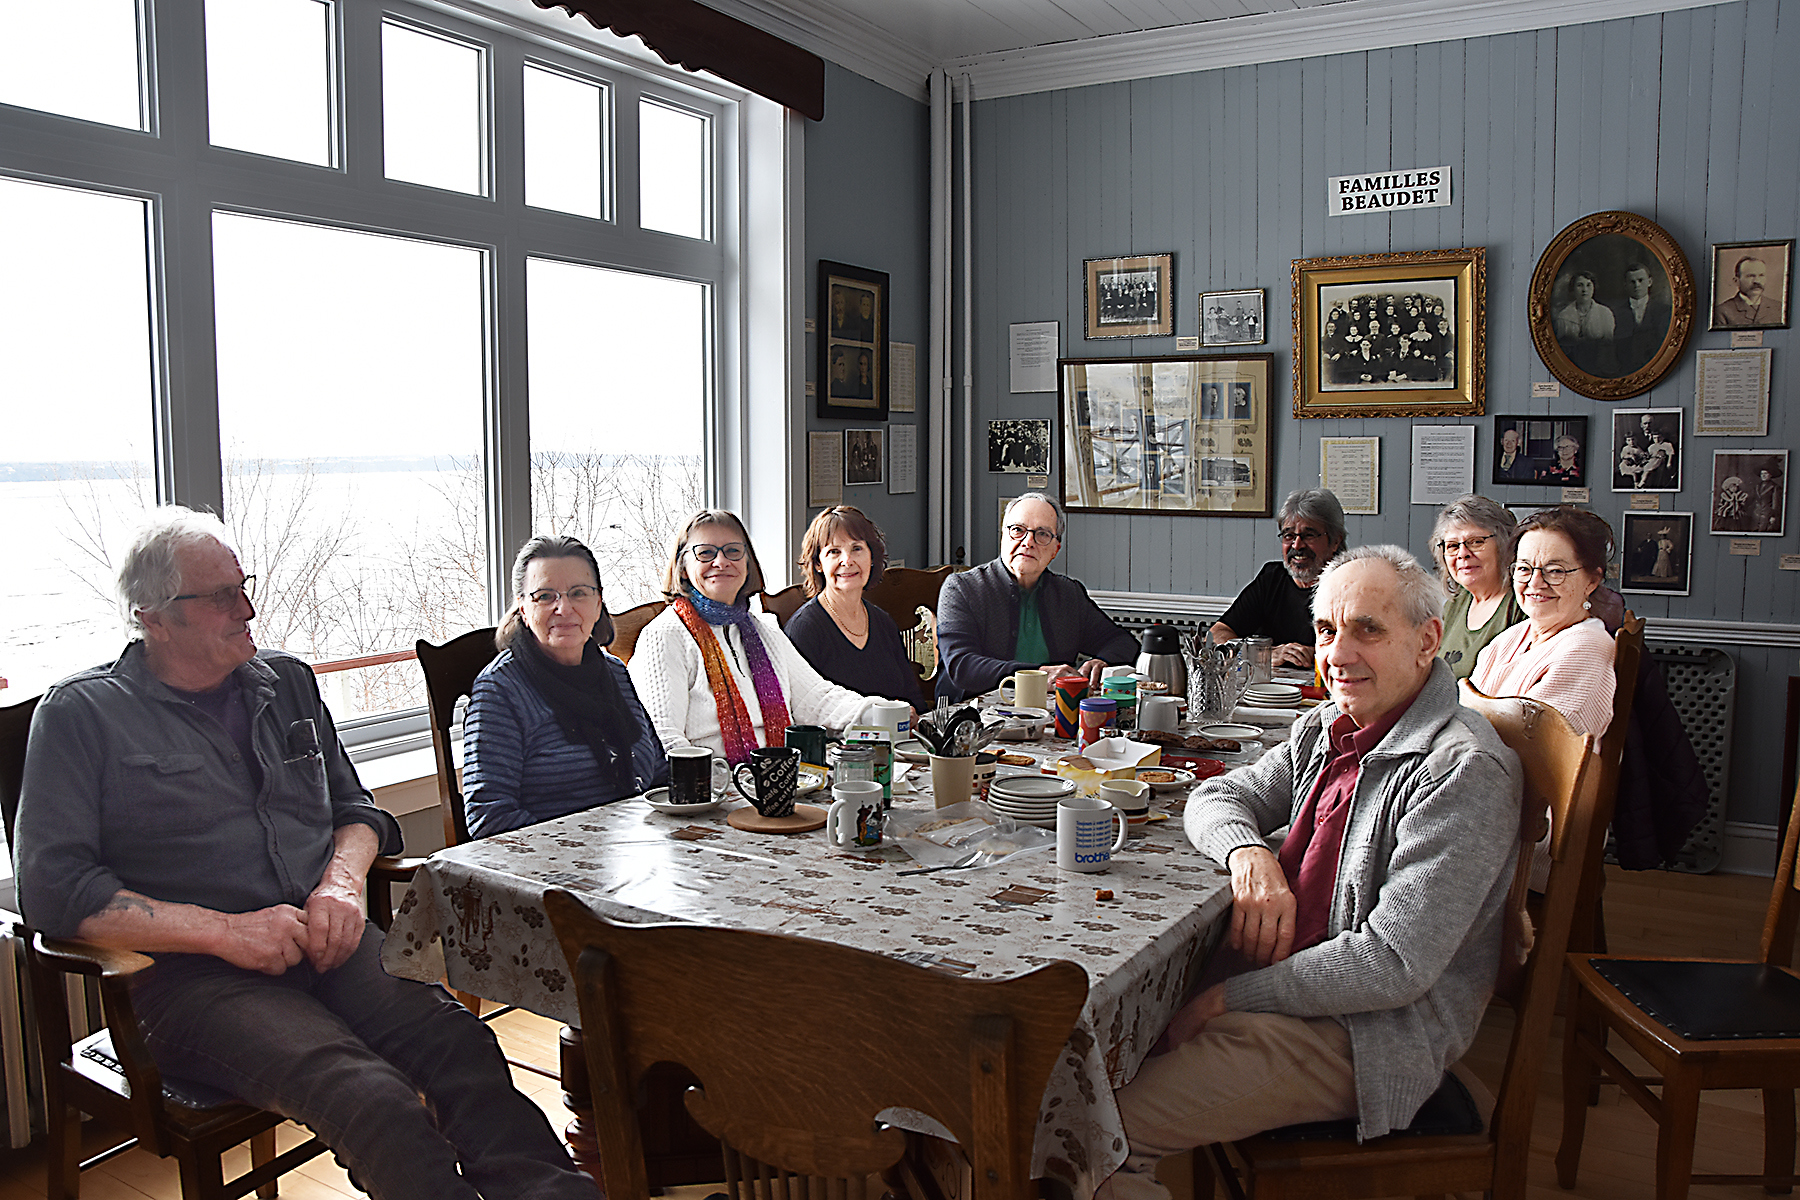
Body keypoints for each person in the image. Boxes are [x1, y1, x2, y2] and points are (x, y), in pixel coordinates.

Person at [12, 506, 594, 1200]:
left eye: (243, 584)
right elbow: (54, 890)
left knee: (462, 1047)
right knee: (369, 1095)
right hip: (190, 984)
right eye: (222, 595)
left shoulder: (285, 681)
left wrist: (341, 888)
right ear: (154, 616)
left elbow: (359, 813)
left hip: (328, 942)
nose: (248, 606)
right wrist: (226, 932)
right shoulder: (82, 716)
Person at [1095, 547, 1522, 1200]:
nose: (1339, 653)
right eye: (1326, 629)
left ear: (1427, 640)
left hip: (1367, 1032)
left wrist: (1231, 999)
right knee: (1093, 1055)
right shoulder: (1329, 727)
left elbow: (1392, 963)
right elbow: (1215, 798)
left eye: (1367, 629)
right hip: (1292, 987)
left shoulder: (1461, 770)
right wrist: (1249, 854)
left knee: (1093, 1138)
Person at [628, 509, 881, 761]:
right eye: (705, 552)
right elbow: (663, 739)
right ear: (683, 568)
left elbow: (818, 699)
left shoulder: (765, 631)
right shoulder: (664, 636)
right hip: (714, 790)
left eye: (733, 551)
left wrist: (882, 712)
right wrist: (727, 785)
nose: (720, 562)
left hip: (778, 780)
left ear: (747, 564)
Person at [461, 536, 666, 838]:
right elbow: (489, 818)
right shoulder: (499, 690)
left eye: (579, 593)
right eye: (545, 596)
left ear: (598, 604)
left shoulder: (614, 673)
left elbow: (659, 774)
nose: (564, 608)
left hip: (637, 850)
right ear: (522, 609)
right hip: (552, 872)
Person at [933, 493, 1139, 702]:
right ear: (1003, 536)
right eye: (1017, 530)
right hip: (970, 719)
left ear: (1055, 550)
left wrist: (1102, 662)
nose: (1028, 542)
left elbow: (1122, 641)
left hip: (1052, 715)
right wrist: (1040, 675)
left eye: (1042, 534)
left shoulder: (1068, 593)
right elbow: (962, 667)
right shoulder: (962, 588)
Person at [1471, 506, 1617, 742]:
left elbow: (1531, 739)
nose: (1535, 583)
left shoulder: (1587, 645)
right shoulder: (1513, 637)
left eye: (1555, 571)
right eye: (1524, 569)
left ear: (1591, 581)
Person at [784, 506, 927, 711]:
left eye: (857, 548)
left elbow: (912, 698)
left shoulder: (883, 622)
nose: (847, 560)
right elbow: (802, 711)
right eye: (834, 551)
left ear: (871, 557)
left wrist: (913, 716)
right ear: (818, 564)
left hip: (896, 738)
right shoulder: (804, 630)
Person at [1211, 488, 1347, 667]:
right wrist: (1264, 654)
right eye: (1288, 535)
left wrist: (1317, 654)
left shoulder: (1349, 585)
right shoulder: (1272, 579)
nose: (1297, 545)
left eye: (1309, 535)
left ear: (1335, 541)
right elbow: (1217, 634)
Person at [1430, 495, 1521, 681]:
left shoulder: (1522, 604)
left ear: (1504, 545)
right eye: (1453, 546)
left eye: (1476, 542)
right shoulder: (1457, 602)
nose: (1463, 554)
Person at [1611, 261, 1671, 375]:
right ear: (1625, 285)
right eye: (1632, 282)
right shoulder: (1615, 313)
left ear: (1649, 282)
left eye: (1640, 280)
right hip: (1624, 371)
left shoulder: (1665, 310)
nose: (1637, 285)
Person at [1553, 270, 1616, 375]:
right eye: (1579, 285)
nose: (1584, 290)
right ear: (1573, 289)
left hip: (1600, 367)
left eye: (1588, 285)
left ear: (1594, 288)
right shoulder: (1563, 317)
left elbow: (1608, 345)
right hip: (1571, 369)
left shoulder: (1605, 313)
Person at [1715, 254, 1773, 326]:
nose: (1757, 281)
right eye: (1750, 276)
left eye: (1761, 275)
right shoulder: (1722, 311)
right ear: (1736, 281)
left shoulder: (1778, 308)